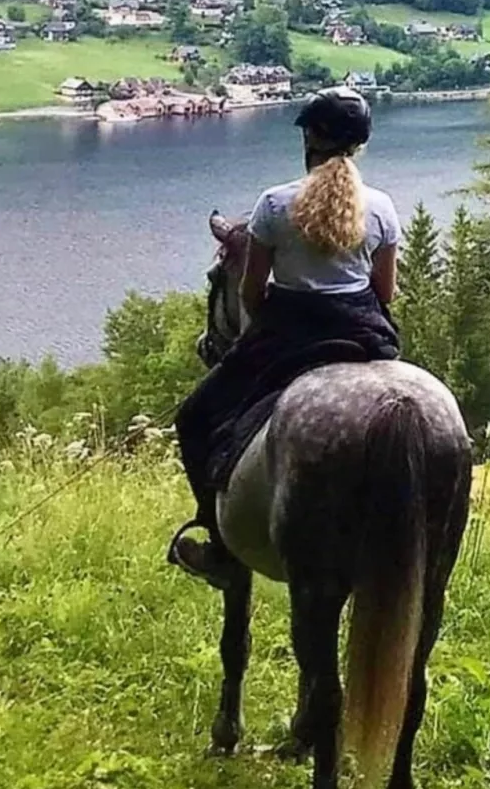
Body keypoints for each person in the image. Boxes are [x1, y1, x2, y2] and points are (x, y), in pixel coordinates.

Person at [170, 86, 402, 586]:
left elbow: (252, 293)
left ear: (310, 141)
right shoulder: (381, 207)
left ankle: (219, 547)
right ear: (359, 146)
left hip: (288, 334)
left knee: (193, 419)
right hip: (365, 332)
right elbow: (386, 290)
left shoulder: (273, 204)